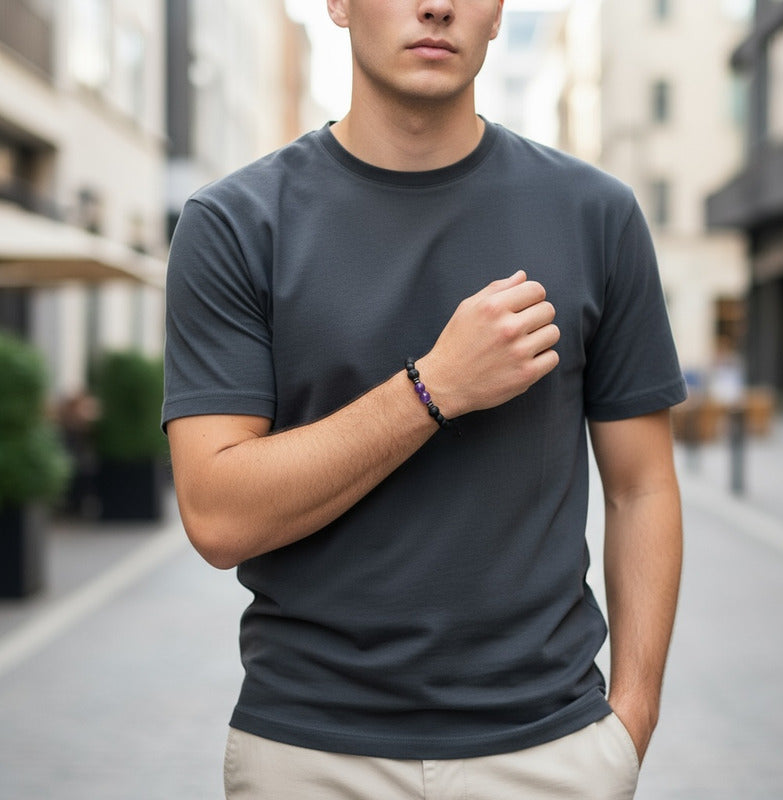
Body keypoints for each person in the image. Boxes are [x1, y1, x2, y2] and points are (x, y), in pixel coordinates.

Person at [162, 1, 686, 797]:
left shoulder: (595, 215)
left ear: (501, 11)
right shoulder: (236, 225)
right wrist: (434, 386)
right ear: (336, 4)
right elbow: (217, 515)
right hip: (310, 752)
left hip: (549, 750)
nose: (437, 5)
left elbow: (642, 486)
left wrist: (631, 719)